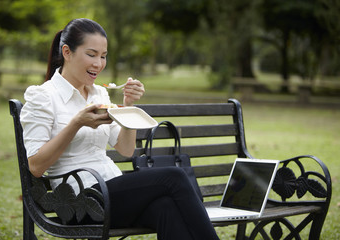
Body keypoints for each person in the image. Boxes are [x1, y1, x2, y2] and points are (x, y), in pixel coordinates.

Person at [20, 18, 220, 240]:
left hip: (110, 187)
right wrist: (76, 123)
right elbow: (36, 166)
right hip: (78, 199)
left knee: (166, 207)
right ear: (67, 52)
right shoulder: (43, 96)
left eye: (103, 56)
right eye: (91, 54)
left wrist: (128, 106)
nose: (99, 63)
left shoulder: (99, 94)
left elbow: (125, 149)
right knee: (173, 176)